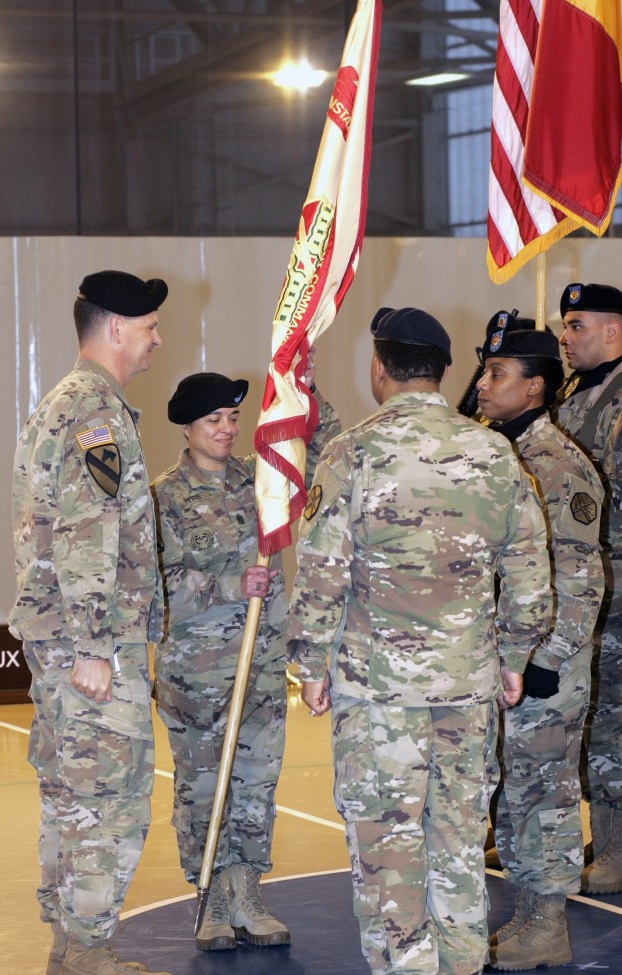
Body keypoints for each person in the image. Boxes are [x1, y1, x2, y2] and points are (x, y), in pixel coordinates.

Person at [286, 306, 553, 975]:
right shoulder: (495, 452)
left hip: (380, 697)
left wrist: (310, 663)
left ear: (379, 367)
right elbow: (529, 569)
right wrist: (514, 657)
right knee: (458, 846)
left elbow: (322, 569)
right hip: (467, 689)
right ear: (442, 372)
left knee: (390, 853)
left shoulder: (353, 452)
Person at [8, 270, 174, 975]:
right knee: (110, 792)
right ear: (114, 328)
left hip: (67, 642)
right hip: (91, 646)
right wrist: (95, 648)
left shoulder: (67, 403)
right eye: (149, 327)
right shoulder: (93, 413)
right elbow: (86, 534)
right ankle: (87, 947)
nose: (156, 340)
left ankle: (74, 945)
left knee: (74, 791)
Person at [151, 355, 340, 951]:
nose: (228, 428)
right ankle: (209, 898)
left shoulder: (263, 484)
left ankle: (248, 892)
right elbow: (156, 585)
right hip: (197, 674)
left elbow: (326, 457)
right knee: (204, 787)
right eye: (214, 419)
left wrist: (306, 392)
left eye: (234, 417)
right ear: (186, 426)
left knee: (256, 783)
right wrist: (228, 586)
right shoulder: (164, 498)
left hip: (258, 666)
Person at [475, 315, 604, 970]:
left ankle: (544, 923)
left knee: (543, 793)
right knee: (511, 791)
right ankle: (527, 913)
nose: (482, 384)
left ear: (534, 389)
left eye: (497, 373)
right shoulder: (489, 454)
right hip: (499, 662)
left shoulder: (560, 466)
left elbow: (583, 576)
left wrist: (550, 659)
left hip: (546, 666)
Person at [555, 283, 622, 895]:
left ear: (613, 330)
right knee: (593, 714)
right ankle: (604, 838)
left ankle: (617, 849)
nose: (565, 338)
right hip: (587, 587)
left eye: (577, 325)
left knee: (612, 720)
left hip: (617, 586)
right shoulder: (579, 395)